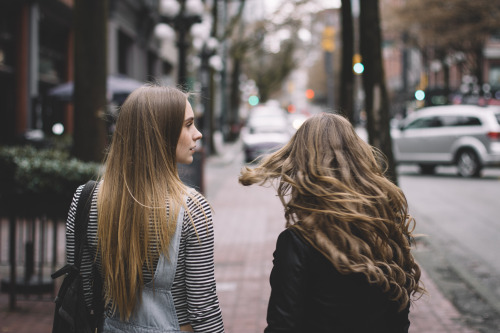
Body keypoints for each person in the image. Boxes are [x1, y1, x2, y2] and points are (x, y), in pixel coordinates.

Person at [239, 112, 425, 333]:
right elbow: (399, 320)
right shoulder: (386, 230)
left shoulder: (298, 243)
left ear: (303, 165)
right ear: (358, 158)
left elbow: (282, 325)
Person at [65, 85, 224, 332]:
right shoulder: (192, 208)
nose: (198, 134)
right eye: (188, 125)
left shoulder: (85, 199)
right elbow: (203, 309)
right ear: (160, 133)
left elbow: (84, 293)